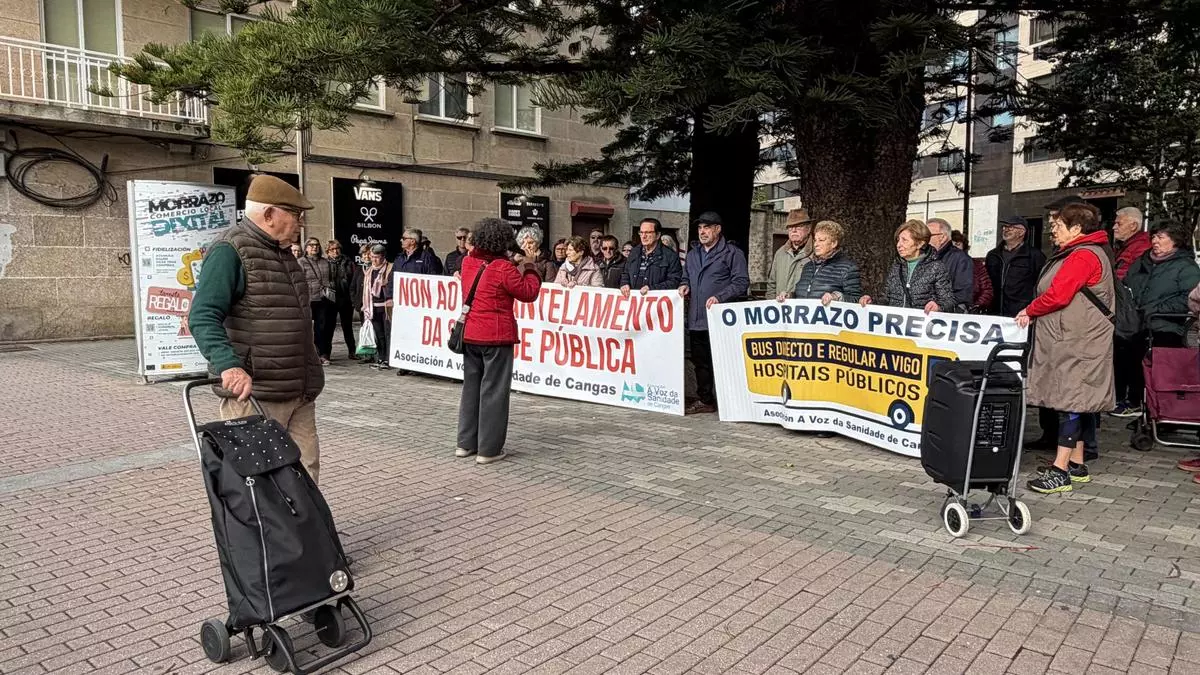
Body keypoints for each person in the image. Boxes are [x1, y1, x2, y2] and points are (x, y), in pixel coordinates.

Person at [188, 175, 325, 482]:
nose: (300, 225)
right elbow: (202, 315)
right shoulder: (229, 250)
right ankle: (265, 533)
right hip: (257, 395)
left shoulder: (284, 254)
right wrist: (229, 366)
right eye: (296, 216)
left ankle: (303, 532)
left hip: (299, 390)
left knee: (306, 474)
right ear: (269, 214)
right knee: (260, 482)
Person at [1018, 202, 1115, 494]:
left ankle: (1060, 471)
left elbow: (1058, 295)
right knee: (1077, 399)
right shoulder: (1082, 252)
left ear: (1076, 229)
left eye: (1058, 226)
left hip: (1078, 340)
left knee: (1070, 401)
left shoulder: (1083, 255)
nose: (1053, 232)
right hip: (1075, 338)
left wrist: (1029, 311)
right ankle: (1076, 463)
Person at [457, 218, 543, 464]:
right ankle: (489, 449)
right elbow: (529, 292)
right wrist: (528, 265)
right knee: (494, 391)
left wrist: (511, 262)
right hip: (496, 335)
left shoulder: (468, 262)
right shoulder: (503, 268)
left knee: (471, 389)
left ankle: (465, 443)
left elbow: (489, 269)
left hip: (471, 332)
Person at [1116, 223, 1200, 417]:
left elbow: (1187, 299)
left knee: (1146, 350)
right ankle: (1125, 398)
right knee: (1121, 346)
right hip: (1135, 320)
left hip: (1167, 323)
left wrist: (1154, 309)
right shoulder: (1143, 261)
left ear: (1175, 241)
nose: (1154, 241)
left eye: (1161, 237)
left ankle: (1142, 401)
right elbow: (1127, 284)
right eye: (1153, 237)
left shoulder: (1186, 267)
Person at [680, 211, 749, 414]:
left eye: (707, 227)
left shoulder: (732, 253)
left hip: (721, 319)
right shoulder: (693, 254)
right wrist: (684, 286)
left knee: (724, 361)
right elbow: (686, 277)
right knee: (700, 362)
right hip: (697, 318)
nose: (702, 232)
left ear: (718, 229)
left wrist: (721, 296)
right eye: (700, 228)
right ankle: (705, 399)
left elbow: (741, 282)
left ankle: (730, 400)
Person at [861, 219, 955, 313]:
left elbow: (948, 301)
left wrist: (938, 307)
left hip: (922, 324)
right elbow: (885, 297)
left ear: (919, 244)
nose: (898, 245)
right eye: (898, 240)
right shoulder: (896, 265)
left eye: (904, 240)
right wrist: (872, 301)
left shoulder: (936, 267)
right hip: (895, 324)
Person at [985, 216, 1047, 317]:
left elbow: (1041, 286)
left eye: (1010, 227)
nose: (1005, 229)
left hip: (1020, 314)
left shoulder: (1034, 256)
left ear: (1021, 232)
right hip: (994, 313)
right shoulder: (993, 255)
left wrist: (1031, 311)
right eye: (1004, 227)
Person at [790, 220, 862, 304]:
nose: (816, 244)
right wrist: (789, 296)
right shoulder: (807, 266)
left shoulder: (848, 268)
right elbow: (801, 294)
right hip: (804, 316)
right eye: (815, 240)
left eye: (821, 240)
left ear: (834, 243)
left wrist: (836, 297)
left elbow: (856, 300)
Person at [620, 218, 684, 297]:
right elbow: (625, 273)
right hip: (634, 303)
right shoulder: (634, 252)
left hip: (655, 304)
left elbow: (674, 281)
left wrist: (652, 289)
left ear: (657, 235)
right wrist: (624, 283)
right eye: (641, 232)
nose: (643, 236)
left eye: (648, 232)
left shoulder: (670, 256)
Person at [299, 237, 335, 365]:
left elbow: (331, 278)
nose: (315, 247)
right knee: (307, 328)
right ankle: (310, 354)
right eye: (312, 245)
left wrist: (329, 287)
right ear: (306, 247)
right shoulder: (301, 262)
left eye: (317, 245)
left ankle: (323, 354)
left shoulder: (325, 262)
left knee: (322, 327)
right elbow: (299, 281)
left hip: (323, 299)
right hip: (308, 299)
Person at [926, 218, 973, 312]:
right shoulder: (925, 256)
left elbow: (962, 295)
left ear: (942, 237)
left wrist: (940, 306)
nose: (924, 239)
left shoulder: (961, 258)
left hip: (947, 316)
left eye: (928, 236)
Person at [768, 209, 814, 301]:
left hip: (805, 309)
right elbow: (771, 285)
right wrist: (772, 304)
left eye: (798, 226)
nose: (794, 230)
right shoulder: (780, 253)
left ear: (808, 229)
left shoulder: (817, 252)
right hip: (781, 308)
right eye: (790, 227)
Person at [325, 240, 359, 360]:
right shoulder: (324, 263)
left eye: (337, 248)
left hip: (345, 298)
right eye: (332, 249)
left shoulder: (348, 262)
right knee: (329, 327)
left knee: (347, 327)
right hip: (330, 300)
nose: (335, 251)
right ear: (327, 251)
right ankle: (326, 353)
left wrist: (353, 298)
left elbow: (354, 280)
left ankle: (352, 351)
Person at [362, 244, 394, 368]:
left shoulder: (389, 268)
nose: (374, 260)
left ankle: (388, 358)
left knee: (387, 333)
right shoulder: (369, 270)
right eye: (372, 257)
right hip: (372, 306)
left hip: (385, 306)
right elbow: (366, 289)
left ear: (383, 256)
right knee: (378, 333)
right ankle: (381, 357)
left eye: (377, 257)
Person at [950, 231, 994, 313]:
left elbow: (987, 290)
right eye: (952, 245)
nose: (955, 247)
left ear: (964, 245)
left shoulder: (976, 265)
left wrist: (976, 306)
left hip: (970, 313)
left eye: (957, 244)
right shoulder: (940, 263)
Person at [1113, 207, 1151, 281]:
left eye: (1119, 224)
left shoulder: (1142, 246)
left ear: (1133, 226)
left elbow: (1123, 277)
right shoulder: (1125, 245)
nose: (1114, 227)